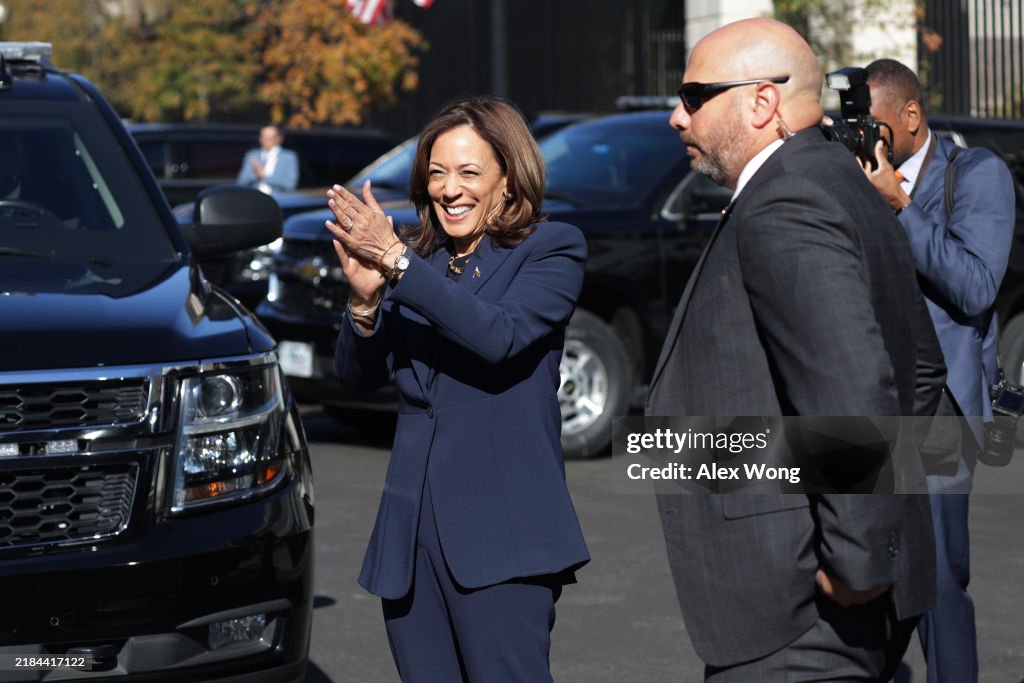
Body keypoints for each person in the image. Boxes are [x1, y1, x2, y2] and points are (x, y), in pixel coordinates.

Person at [645, 18, 947, 681]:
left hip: (803, 619)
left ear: (761, 100)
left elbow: (855, 388)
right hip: (827, 609)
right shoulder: (842, 184)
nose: (676, 116)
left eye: (695, 96)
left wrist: (856, 557)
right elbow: (921, 372)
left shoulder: (789, 197)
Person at [325, 96, 590, 682]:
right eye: (438, 172)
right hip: (411, 540)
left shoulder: (550, 247)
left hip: (503, 538)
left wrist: (395, 261)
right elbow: (358, 375)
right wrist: (365, 303)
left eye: (469, 172)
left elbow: (498, 336)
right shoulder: (422, 259)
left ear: (509, 177)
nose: (450, 189)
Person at [861, 58, 1015, 683]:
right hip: (871, 400)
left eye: (871, 126)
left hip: (943, 406)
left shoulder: (975, 174)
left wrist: (899, 205)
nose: (863, 141)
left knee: (941, 578)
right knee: (870, 573)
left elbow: (975, 286)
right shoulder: (859, 183)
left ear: (911, 116)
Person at [236, 124, 298, 194]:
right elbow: (241, 182)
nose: (266, 140)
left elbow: (289, 184)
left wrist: (263, 175)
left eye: (270, 137)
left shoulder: (288, 156)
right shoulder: (252, 155)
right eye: (263, 137)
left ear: (279, 138)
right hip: (253, 196)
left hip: (277, 197)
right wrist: (254, 175)